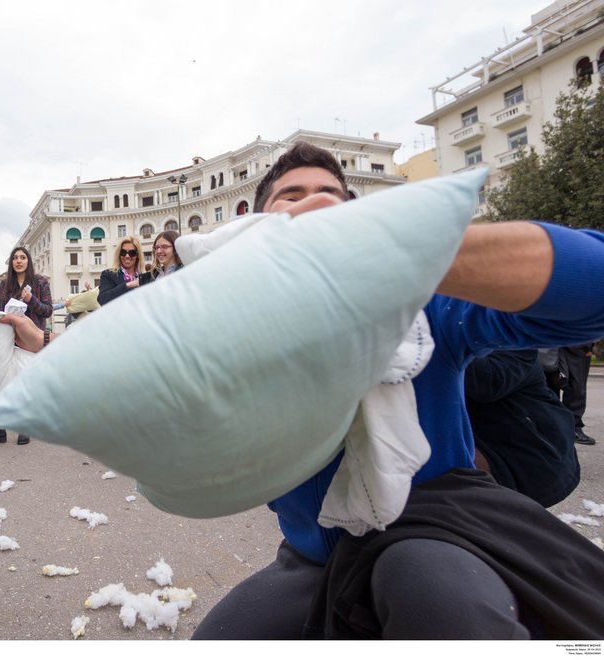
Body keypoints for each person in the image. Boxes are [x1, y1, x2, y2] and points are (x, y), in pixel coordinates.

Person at [192, 141, 604, 640]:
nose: (314, 204)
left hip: (441, 535)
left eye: (331, 197)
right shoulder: (229, 329)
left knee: (435, 599)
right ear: (253, 226)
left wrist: (404, 254)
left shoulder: (419, 307)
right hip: (315, 558)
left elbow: (592, 290)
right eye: (292, 196)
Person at [464, 349, 578, 507]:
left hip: (529, 454)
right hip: (485, 441)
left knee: (443, 472)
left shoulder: (514, 345)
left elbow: (486, 382)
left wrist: (436, 337)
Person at [0, 247, 51, 447]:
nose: (18, 261)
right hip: (7, 338)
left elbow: (47, 310)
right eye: (15, 258)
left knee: (24, 384)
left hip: (30, 339)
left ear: (28, 261)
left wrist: (30, 300)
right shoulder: (6, 284)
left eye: (22, 257)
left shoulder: (40, 282)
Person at [559, 343, 597, 445]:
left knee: (577, 388)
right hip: (550, 343)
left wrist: (589, 346)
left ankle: (572, 428)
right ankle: (551, 428)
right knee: (548, 386)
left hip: (576, 346)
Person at [97, 236, 145, 305]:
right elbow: (103, 299)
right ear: (119, 254)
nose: (127, 256)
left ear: (137, 255)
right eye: (123, 252)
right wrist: (127, 285)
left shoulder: (144, 276)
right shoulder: (108, 274)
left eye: (132, 253)